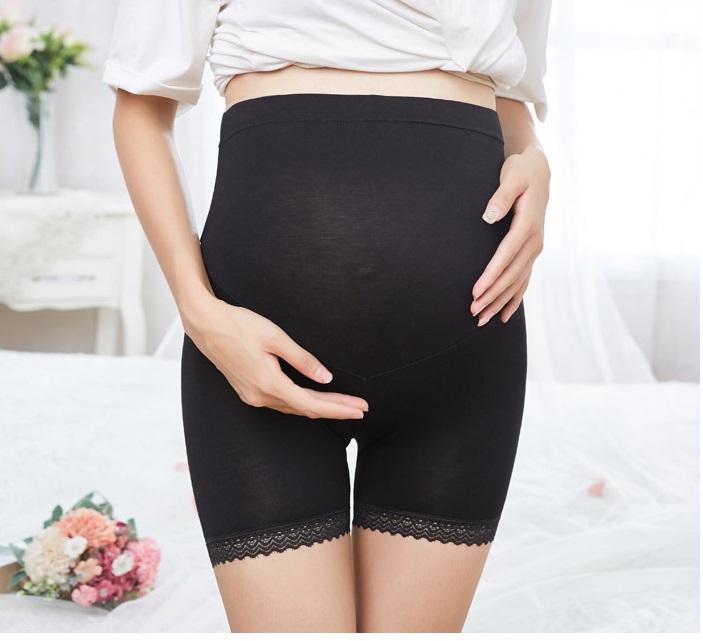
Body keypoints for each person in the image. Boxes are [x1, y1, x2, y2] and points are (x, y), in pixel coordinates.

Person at [103, 0, 551, 632]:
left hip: (464, 351)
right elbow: (140, 106)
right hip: (254, 361)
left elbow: (510, 91)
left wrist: (534, 160)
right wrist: (199, 312)